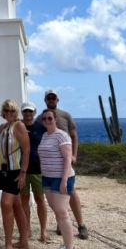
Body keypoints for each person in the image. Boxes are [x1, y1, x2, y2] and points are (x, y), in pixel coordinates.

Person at [40, 90, 89, 240]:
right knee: (56, 197)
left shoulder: (65, 115)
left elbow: (74, 136)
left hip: (65, 162)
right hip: (52, 167)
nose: (51, 99)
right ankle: (61, 223)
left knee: (71, 191)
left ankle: (81, 225)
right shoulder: (41, 118)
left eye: (53, 97)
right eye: (48, 98)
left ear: (57, 99)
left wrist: (74, 155)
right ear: (45, 100)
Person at [0, 99, 30, 249]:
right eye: (6, 110)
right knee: (16, 205)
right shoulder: (3, 127)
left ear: (16, 112)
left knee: (6, 204)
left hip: (14, 171)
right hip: (3, 171)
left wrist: (23, 173)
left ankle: (8, 244)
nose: (9, 113)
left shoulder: (19, 126)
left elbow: (26, 150)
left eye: (12, 110)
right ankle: (23, 241)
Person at [39, 109, 77, 249]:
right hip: (47, 178)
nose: (47, 121)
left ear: (55, 119)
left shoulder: (62, 135)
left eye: (50, 118)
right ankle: (65, 245)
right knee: (57, 211)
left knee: (62, 212)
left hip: (60, 178)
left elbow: (68, 158)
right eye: (44, 119)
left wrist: (64, 180)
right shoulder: (45, 135)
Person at [20, 101, 49, 243]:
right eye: (25, 111)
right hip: (22, 170)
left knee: (40, 200)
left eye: (30, 111)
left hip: (38, 169)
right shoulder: (18, 126)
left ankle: (43, 230)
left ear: (35, 112)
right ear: (22, 113)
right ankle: (27, 228)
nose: (28, 114)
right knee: (24, 199)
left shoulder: (41, 128)